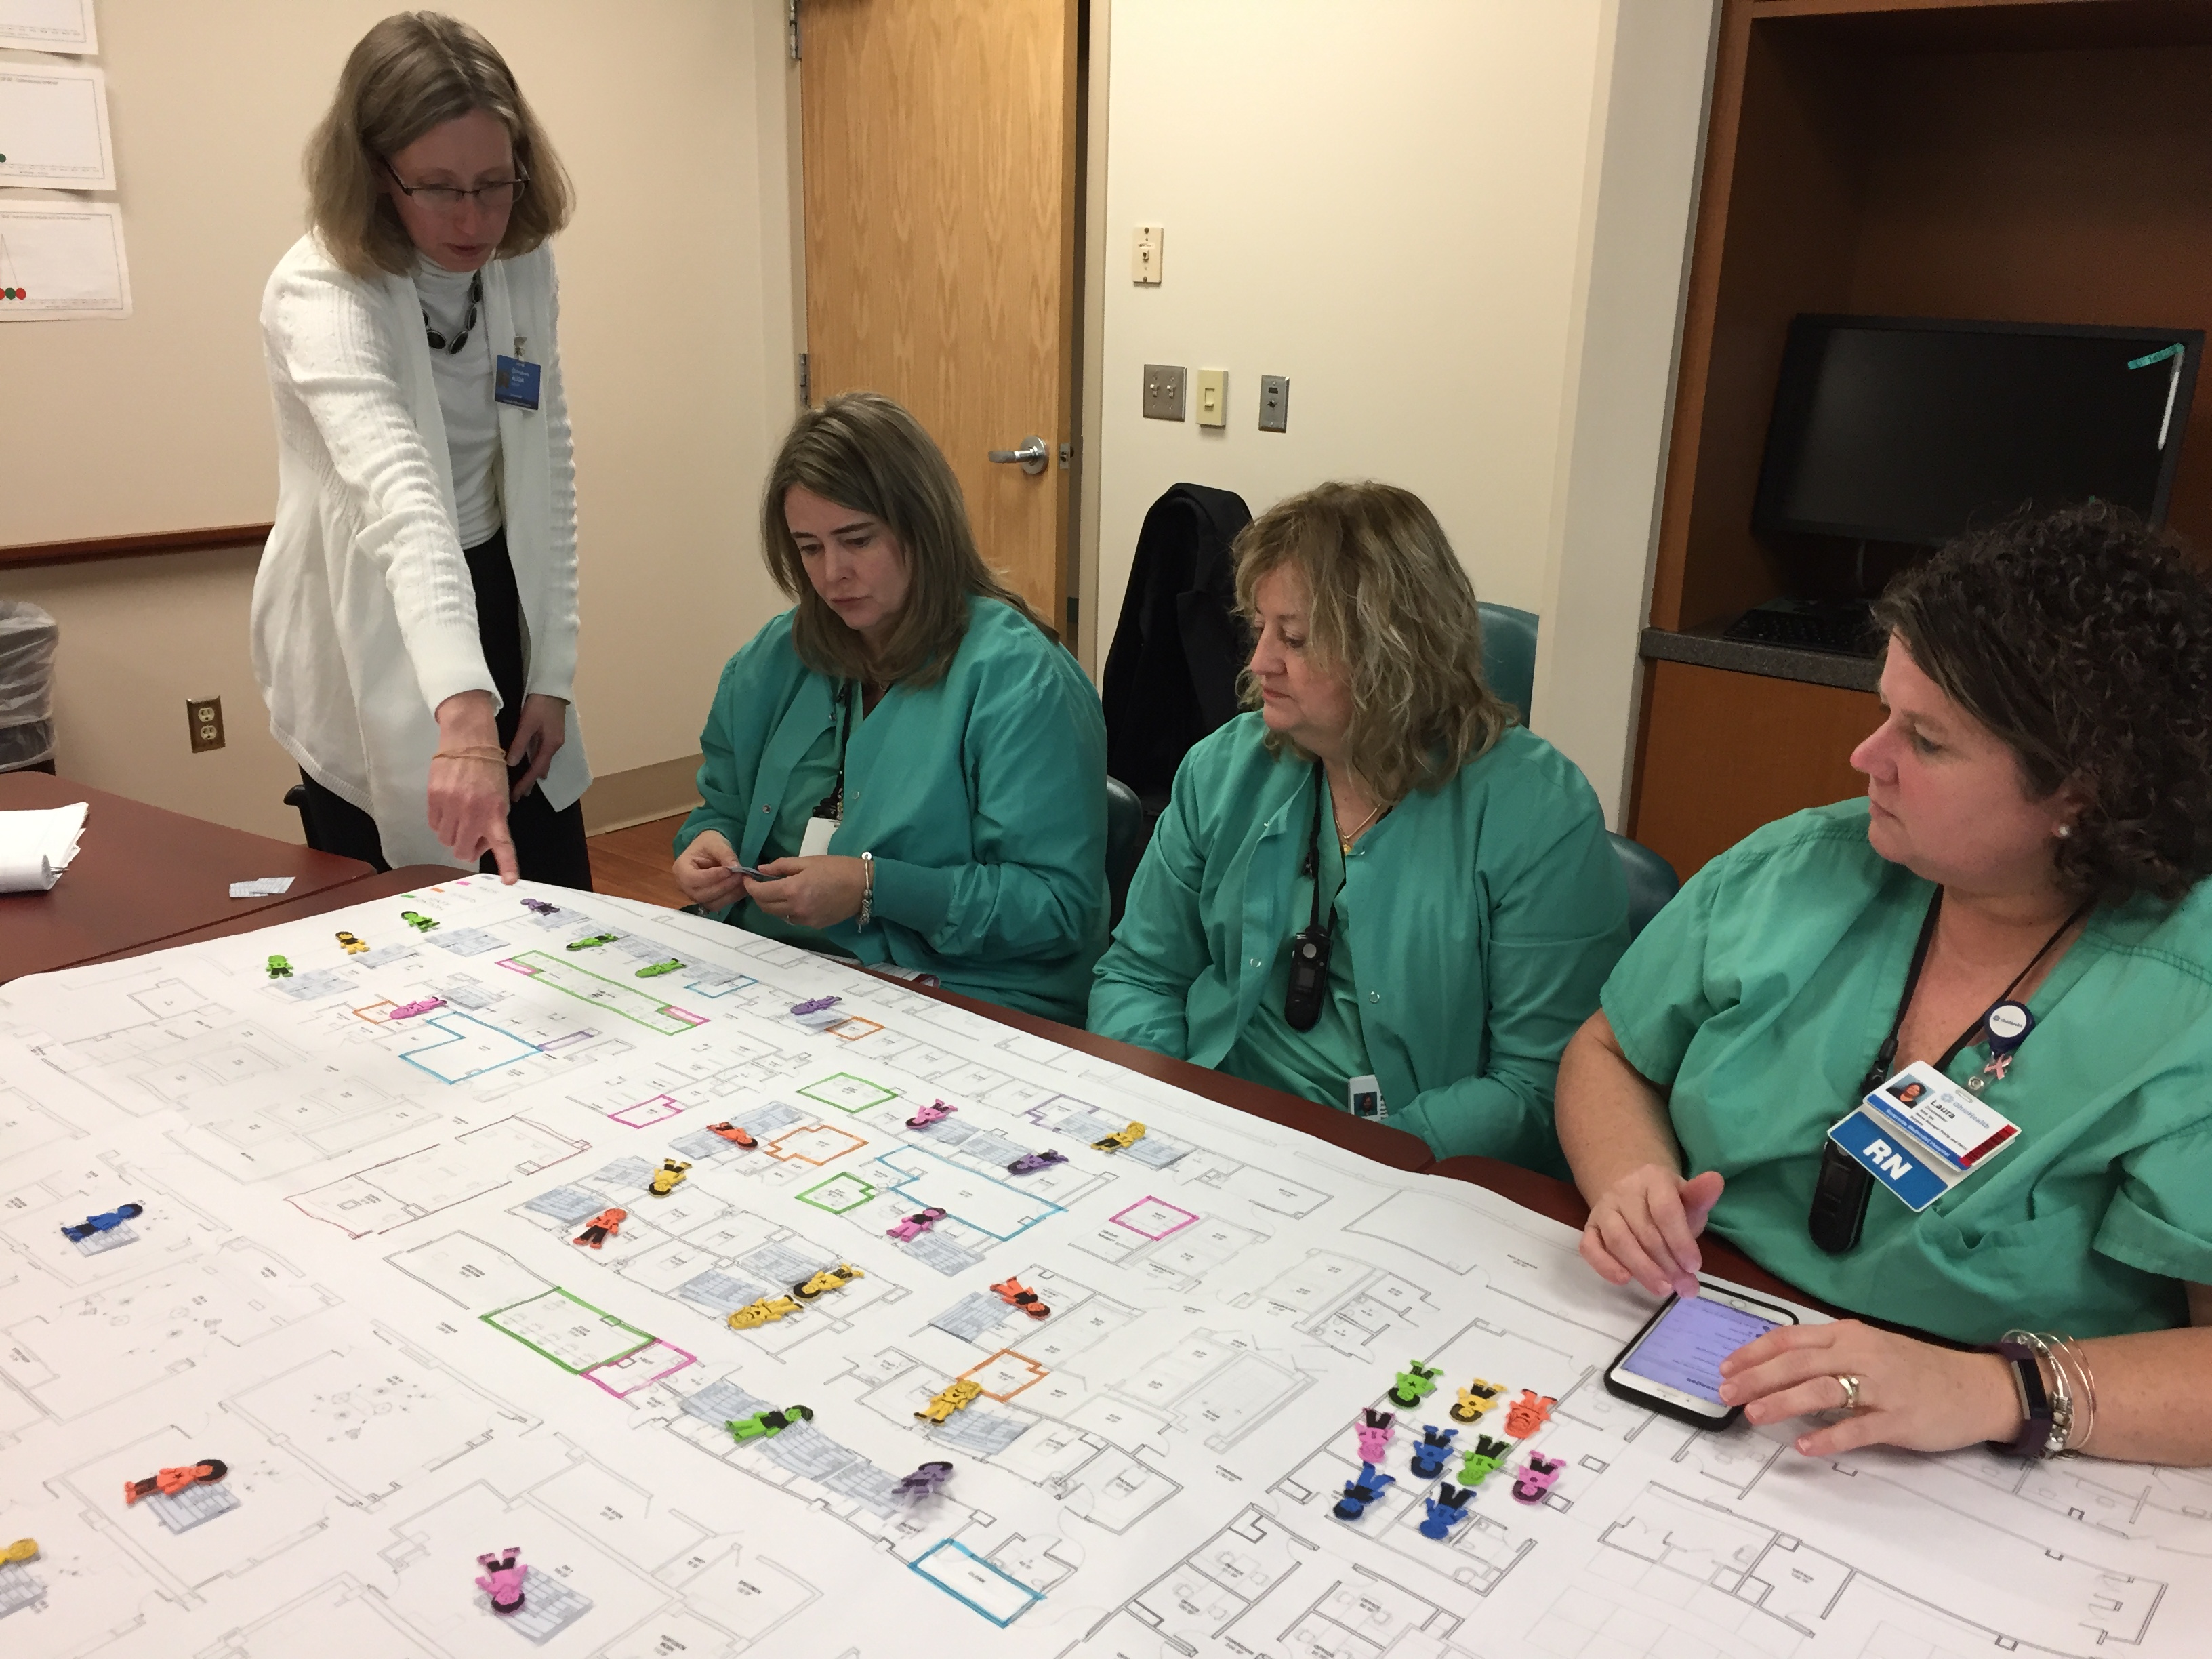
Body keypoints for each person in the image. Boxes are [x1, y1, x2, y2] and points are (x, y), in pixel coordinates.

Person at [1559, 505, 2212, 1467]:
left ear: (2084, 789)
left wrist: (1998, 1390)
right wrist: (1627, 1177)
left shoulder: (2184, 1002)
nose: (1867, 760)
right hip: (1703, 1336)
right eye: (1883, 713)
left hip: (1970, 1448)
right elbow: (1611, 1049)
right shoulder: (1801, 866)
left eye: (1928, 740)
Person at [1090, 482, 1629, 1169]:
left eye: (1295, 639)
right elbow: (1140, 975)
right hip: (1213, 1138)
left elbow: (1536, 1085)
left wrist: (1354, 1158)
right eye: (1259, 628)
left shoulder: (1538, 813)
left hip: (1407, 1169)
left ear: (1393, 652)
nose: (1260, 663)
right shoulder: (1223, 769)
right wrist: (1167, 1107)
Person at [253, 13, 590, 884]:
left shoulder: (520, 259)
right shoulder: (321, 291)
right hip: (369, 602)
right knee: (415, 908)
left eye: (495, 181)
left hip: (496, 585)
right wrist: (465, 713)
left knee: (551, 890)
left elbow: (544, 451)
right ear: (374, 173)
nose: (474, 217)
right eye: (439, 187)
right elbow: (403, 504)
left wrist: (550, 670)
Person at [670, 393, 1107, 1022]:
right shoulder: (773, 658)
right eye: (809, 548)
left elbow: (1057, 906)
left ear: (923, 527)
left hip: (962, 990)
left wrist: (874, 889)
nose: (832, 575)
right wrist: (705, 843)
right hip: (781, 967)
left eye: (857, 539)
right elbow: (722, 807)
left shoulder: (1020, 679)